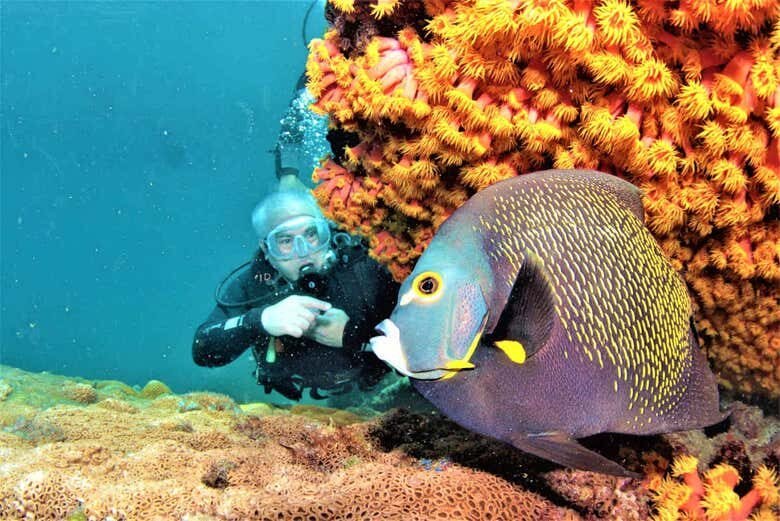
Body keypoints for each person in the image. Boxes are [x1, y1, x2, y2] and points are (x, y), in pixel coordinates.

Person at [192, 189, 400, 401]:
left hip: (373, 379)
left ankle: (289, 178)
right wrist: (261, 320)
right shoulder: (257, 283)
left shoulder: (363, 265)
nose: (304, 252)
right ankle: (288, 176)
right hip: (300, 386)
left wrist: (353, 335)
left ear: (326, 231)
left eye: (311, 234)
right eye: (285, 241)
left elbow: (426, 333)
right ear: (267, 249)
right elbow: (202, 347)